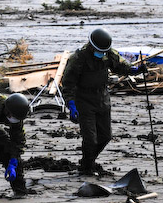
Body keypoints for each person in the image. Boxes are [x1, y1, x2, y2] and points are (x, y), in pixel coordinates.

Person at [62, 28, 146, 176]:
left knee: (105, 136)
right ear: (91, 46)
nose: (102, 54)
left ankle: (88, 161)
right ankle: (87, 167)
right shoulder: (78, 59)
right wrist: (71, 105)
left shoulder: (108, 54)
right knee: (90, 139)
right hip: (84, 100)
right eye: (99, 51)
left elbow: (121, 66)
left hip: (102, 98)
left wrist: (135, 70)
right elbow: (68, 84)